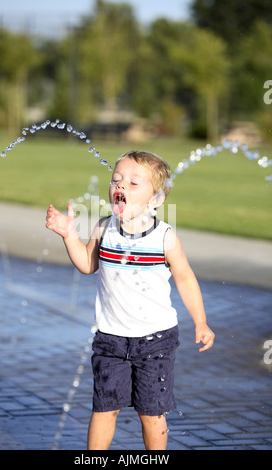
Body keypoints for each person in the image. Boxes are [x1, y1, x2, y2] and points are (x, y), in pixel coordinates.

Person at [46, 150, 215, 450]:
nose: (120, 186)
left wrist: (200, 321)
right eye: (116, 180)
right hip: (111, 339)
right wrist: (68, 235)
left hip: (156, 341)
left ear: (156, 199)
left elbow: (185, 279)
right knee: (104, 408)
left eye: (133, 183)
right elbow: (87, 264)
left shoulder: (163, 237)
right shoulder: (103, 228)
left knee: (151, 412)